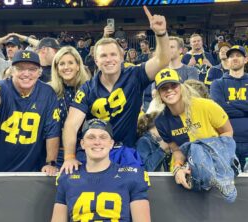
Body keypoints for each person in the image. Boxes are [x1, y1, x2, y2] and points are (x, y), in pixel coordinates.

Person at [61, 6, 171, 173]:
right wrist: (69, 157)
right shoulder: (88, 89)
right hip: (96, 152)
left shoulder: (135, 75)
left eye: (113, 55)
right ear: (96, 61)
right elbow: (71, 125)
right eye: (103, 56)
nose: (109, 59)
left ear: (121, 57)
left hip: (126, 152)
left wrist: (161, 34)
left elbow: (162, 60)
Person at [0, 50, 60, 174]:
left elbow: (52, 130)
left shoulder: (47, 93)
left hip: (29, 170)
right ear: (12, 71)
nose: (26, 73)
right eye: (20, 69)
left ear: (39, 73)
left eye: (32, 69)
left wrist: (51, 162)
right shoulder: (0, 89)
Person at [51, 119, 151, 222]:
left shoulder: (131, 175)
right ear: (82, 143)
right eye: (91, 137)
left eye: (103, 137)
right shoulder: (67, 177)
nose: (97, 142)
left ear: (111, 143)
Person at [153, 68, 233, 189]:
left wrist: (216, 159)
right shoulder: (161, 121)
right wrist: (178, 167)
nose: (169, 90)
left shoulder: (206, 106)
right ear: (159, 94)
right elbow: (176, 150)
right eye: (164, 88)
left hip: (215, 166)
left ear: (181, 87)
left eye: (173, 85)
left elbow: (228, 132)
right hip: (187, 170)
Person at [50, 46, 90, 167]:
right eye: (62, 64)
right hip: (57, 152)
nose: (66, 67)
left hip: (86, 152)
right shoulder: (49, 91)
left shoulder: (90, 89)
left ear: (78, 66)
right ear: (56, 68)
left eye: (70, 63)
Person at [210, 45, 248, 171]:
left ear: (245, 59)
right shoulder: (217, 83)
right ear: (227, 60)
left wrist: (229, 104)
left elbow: (225, 108)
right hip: (227, 142)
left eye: (238, 55)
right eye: (231, 56)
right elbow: (219, 109)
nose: (234, 58)